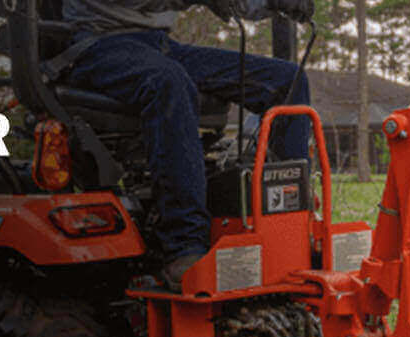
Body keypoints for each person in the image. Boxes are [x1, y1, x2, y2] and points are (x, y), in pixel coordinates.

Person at [58, 0, 314, 286]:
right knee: (170, 83)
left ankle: (289, 230)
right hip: (98, 45)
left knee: (288, 81)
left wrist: (272, 3)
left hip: (160, 46)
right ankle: (185, 246)